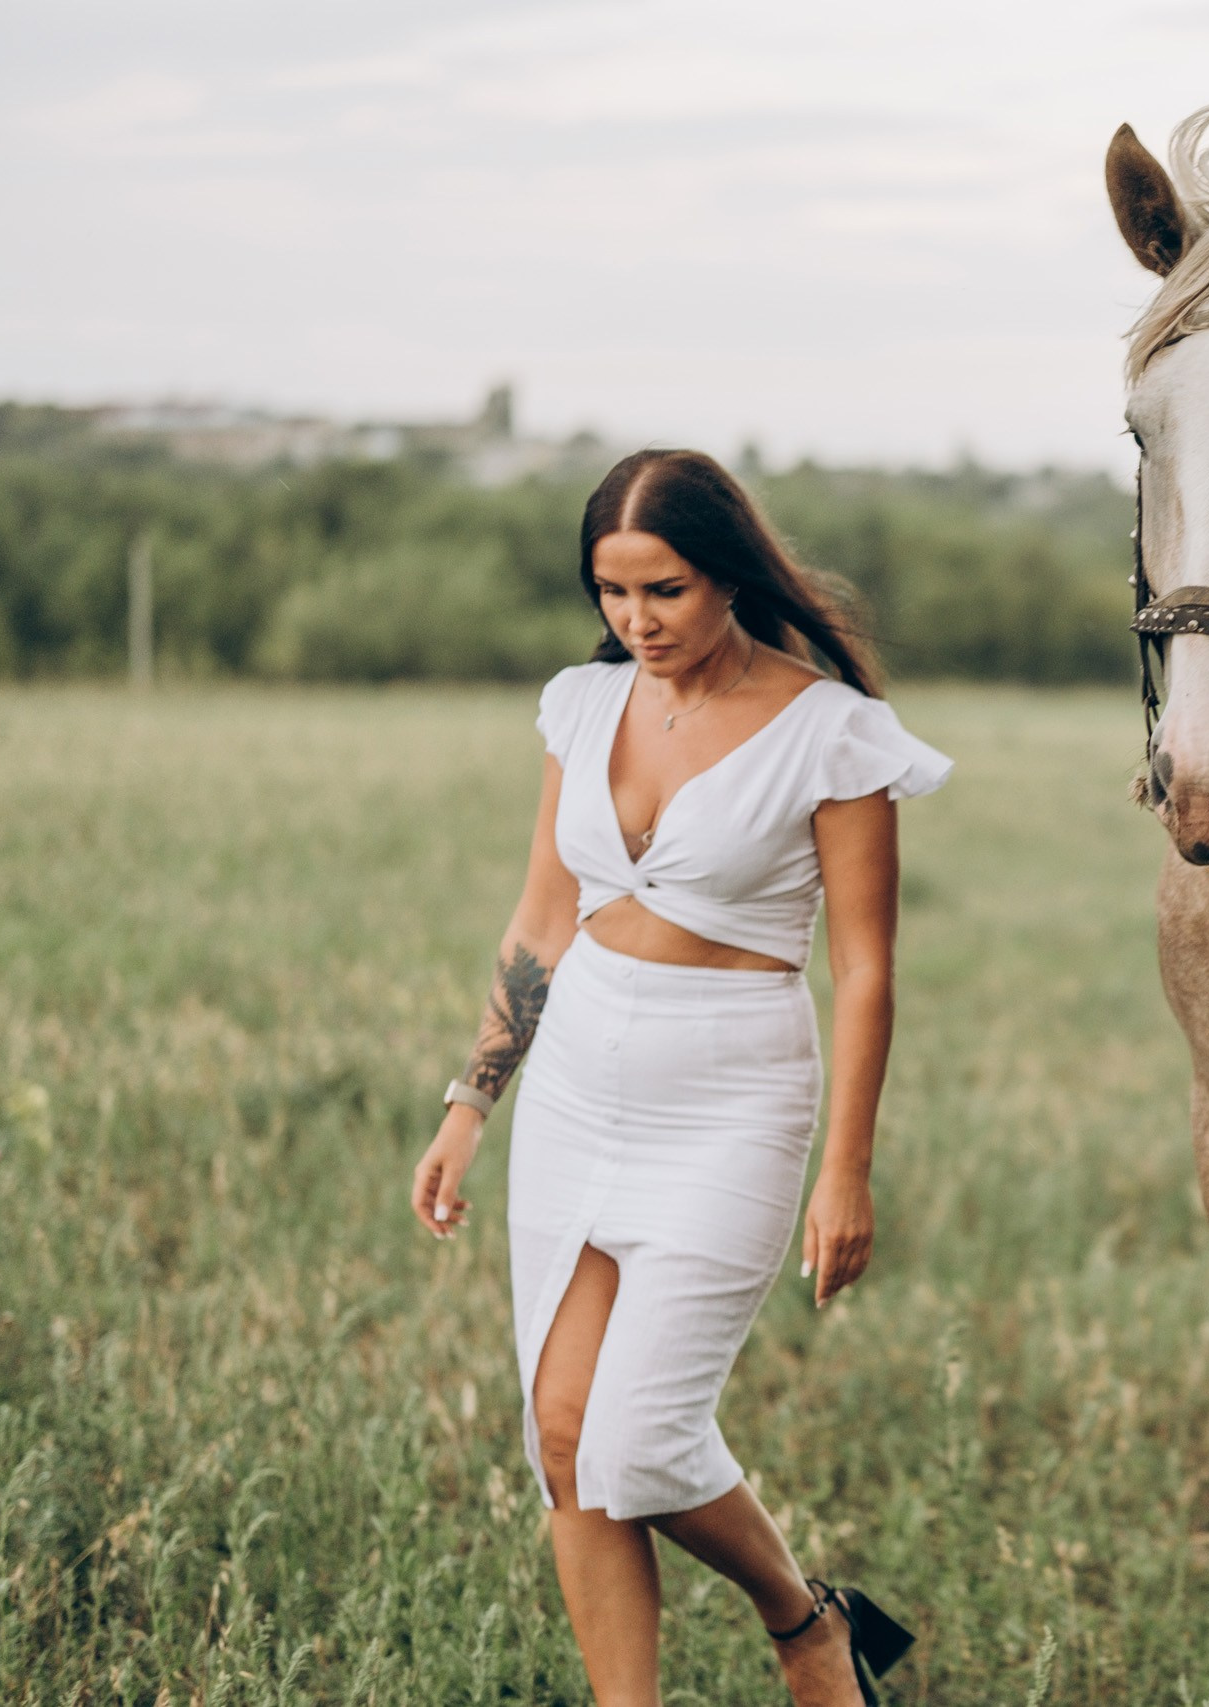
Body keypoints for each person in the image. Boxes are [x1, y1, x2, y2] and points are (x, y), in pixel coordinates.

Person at [407, 449, 949, 1707]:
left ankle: (806, 1622)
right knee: (561, 1438)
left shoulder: (835, 734)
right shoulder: (582, 706)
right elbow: (544, 916)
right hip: (577, 1087)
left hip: (732, 1095)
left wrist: (847, 1172)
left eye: (666, 591)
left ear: (730, 577)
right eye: (612, 592)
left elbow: (864, 972)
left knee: (639, 1444)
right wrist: (467, 1102)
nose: (637, 622)